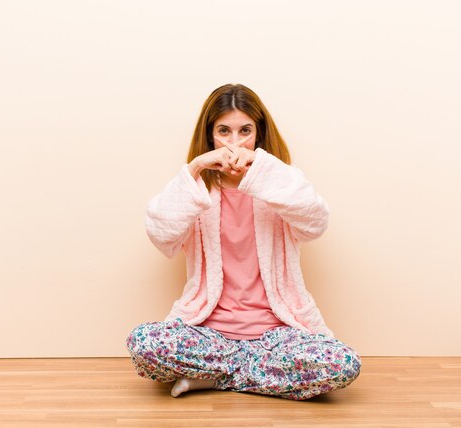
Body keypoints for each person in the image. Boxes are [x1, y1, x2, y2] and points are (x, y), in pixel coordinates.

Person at [125, 83, 361, 400]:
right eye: (224, 131)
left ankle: (213, 376)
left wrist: (263, 171)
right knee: (143, 342)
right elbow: (161, 236)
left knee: (343, 363)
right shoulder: (196, 189)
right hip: (209, 333)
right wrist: (195, 168)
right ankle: (256, 374)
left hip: (277, 335)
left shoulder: (279, 182)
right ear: (210, 136)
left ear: (258, 134)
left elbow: (316, 222)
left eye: (244, 131)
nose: (234, 143)